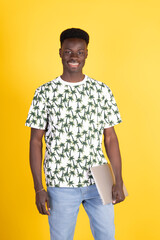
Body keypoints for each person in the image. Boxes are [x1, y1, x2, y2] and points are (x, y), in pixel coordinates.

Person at [25, 28, 125, 240]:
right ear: (60, 52)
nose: (74, 57)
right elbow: (36, 141)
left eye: (80, 52)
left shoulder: (101, 91)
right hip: (61, 182)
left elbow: (110, 138)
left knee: (107, 236)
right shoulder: (45, 92)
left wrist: (118, 180)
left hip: (99, 181)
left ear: (86, 54)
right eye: (69, 51)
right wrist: (38, 188)